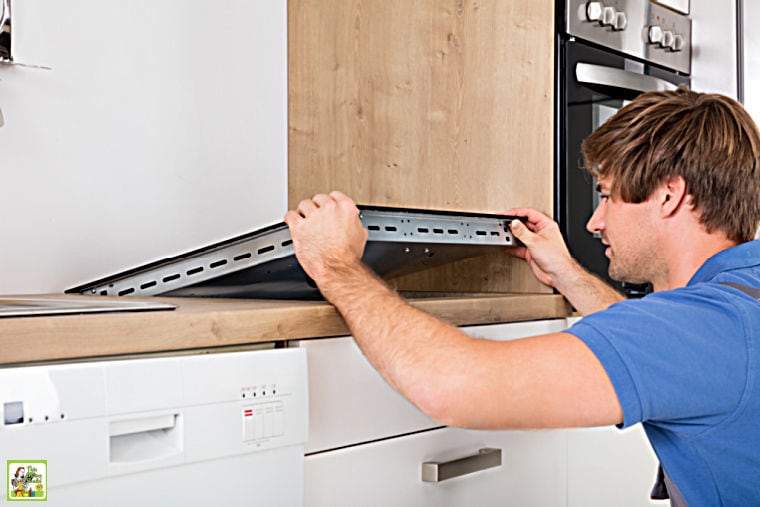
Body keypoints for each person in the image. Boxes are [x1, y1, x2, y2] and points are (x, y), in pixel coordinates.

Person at [284, 86, 760, 505]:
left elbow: (453, 387)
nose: (595, 222)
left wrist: (337, 265)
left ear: (669, 195)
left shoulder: (703, 329)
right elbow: (666, 355)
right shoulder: (734, 306)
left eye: (609, 195)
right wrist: (569, 275)